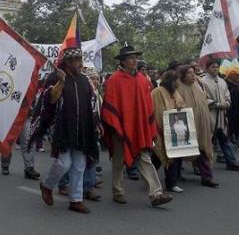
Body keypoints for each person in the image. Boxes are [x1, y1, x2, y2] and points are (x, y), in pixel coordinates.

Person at [102, 45, 173, 206]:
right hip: (120, 128)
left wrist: (148, 126)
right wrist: (116, 127)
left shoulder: (142, 79)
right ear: (123, 61)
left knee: (145, 158)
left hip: (139, 128)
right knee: (119, 161)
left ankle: (156, 194)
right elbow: (110, 106)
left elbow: (146, 105)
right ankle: (117, 191)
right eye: (131, 58)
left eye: (136, 58)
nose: (135, 61)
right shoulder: (114, 80)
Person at [38, 47, 99, 214]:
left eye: (80, 60)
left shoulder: (85, 80)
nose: (79, 64)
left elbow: (92, 103)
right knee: (64, 163)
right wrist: (62, 82)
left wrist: (96, 123)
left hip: (83, 129)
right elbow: (51, 99)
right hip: (63, 129)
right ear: (68, 63)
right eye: (75, 61)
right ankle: (47, 184)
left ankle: (75, 200)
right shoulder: (56, 78)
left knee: (79, 165)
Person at [177, 65, 219, 188]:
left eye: (193, 73)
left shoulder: (198, 86)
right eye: (189, 73)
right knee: (178, 152)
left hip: (201, 124)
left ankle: (207, 177)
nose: (193, 75)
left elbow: (204, 99)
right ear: (183, 75)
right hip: (186, 125)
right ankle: (172, 176)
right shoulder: (178, 87)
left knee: (203, 149)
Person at [201, 59, 239, 171]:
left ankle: (231, 162)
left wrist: (227, 103)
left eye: (217, 67)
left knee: (225, 140)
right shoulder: (202, 81)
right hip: (210, 115)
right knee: (207, 142)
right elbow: (202, 98)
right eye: (212, 67)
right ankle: (203, 167)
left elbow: (227, 95)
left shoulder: (222, 81)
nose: (215, 69)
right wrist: (217, 104)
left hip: (221, 116)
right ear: (207, 68)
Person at [151, 69, 187, 192]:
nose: (178, 83)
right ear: (171, 81)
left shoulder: (175, 92)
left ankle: (171, 183)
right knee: (158, 156)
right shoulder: (157, 92)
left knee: (173, 156)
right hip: (160, 129)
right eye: (176, 80)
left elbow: (181, 105)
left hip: (174, 129)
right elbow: (156, 111)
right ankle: (149, 178)